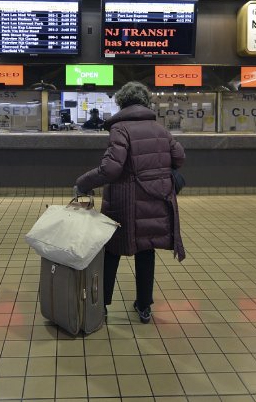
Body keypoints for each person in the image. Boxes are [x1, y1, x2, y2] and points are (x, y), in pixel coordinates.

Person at [74, 82, 185, 324]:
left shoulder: (120, 129)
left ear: (122, 103)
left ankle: (101, 306)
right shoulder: (160, 128)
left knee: (112, 252)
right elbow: (180, 157)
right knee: (146, 250)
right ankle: (144, 307)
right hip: (155, 198)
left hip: (124, 202)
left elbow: (111, 168)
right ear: (145, 102)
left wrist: (83, 183)